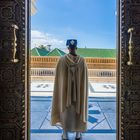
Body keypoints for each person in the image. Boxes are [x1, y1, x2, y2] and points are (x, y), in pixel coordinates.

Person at [51, 39, 88, 140]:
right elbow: (84, 79)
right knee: (78, 111)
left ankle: (65, 134)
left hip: (64, 93)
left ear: (68, 48)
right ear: (76, 48)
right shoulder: (82, 60)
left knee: (65, 112)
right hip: (79, 94)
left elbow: (59, 79)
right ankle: (77, 134)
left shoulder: (61, 60)